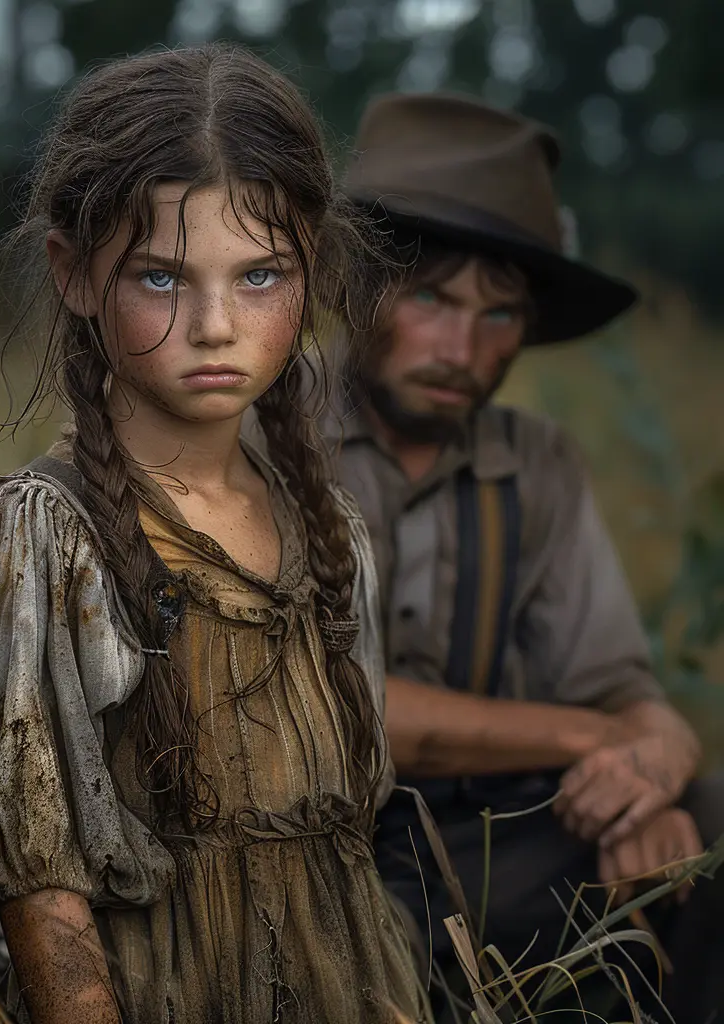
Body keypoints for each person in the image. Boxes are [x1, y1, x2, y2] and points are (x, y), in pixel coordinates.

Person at [0, 45, 425, 1024]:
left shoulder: (328, 531)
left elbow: (347, 858)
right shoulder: (37, 539)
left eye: (261, 275)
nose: (216, 324)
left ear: (312, 264)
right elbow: (38, 887)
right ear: (76, 274)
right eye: (162, 277)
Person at [331, 92, 724, 1019]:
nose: (462, 348)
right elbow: (342, 713)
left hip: (495, 837)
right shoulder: (260, 433)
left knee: (708, 830)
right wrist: (595, 740)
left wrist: (648, 781)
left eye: (500, 315)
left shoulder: (536, 462)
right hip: (312, 850)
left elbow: (626, 687)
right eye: (430, 297)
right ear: (352, 283)